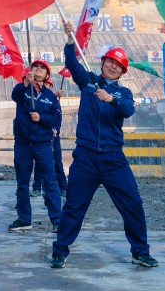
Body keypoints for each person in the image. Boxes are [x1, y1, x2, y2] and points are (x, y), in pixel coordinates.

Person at [48, 44, 154, 269]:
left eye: (118, 65)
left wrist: (110, 99)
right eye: (110, 62)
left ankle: (140, 252)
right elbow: (71, 63)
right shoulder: (88, 82)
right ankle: (60, 251)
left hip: (113, 159)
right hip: (85, 157)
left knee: (133, 204)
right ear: (103, 62)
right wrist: (69, 42)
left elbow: (128, 110)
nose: (113, 67)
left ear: (122, 71)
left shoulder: (124, 93)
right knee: (74, 206)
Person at [10, 59, 63, 233]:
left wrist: (41, 118)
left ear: (47, 75)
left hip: (43, 145)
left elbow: (56, 119)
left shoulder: (51, 97)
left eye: (42, 68)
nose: (38, 69)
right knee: (22, 183)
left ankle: (57, 220)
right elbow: (15, 96)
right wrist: (25, 82)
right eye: (35, 67)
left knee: (51, 182)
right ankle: (24, 219)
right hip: (23, 144)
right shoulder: (23, 89)